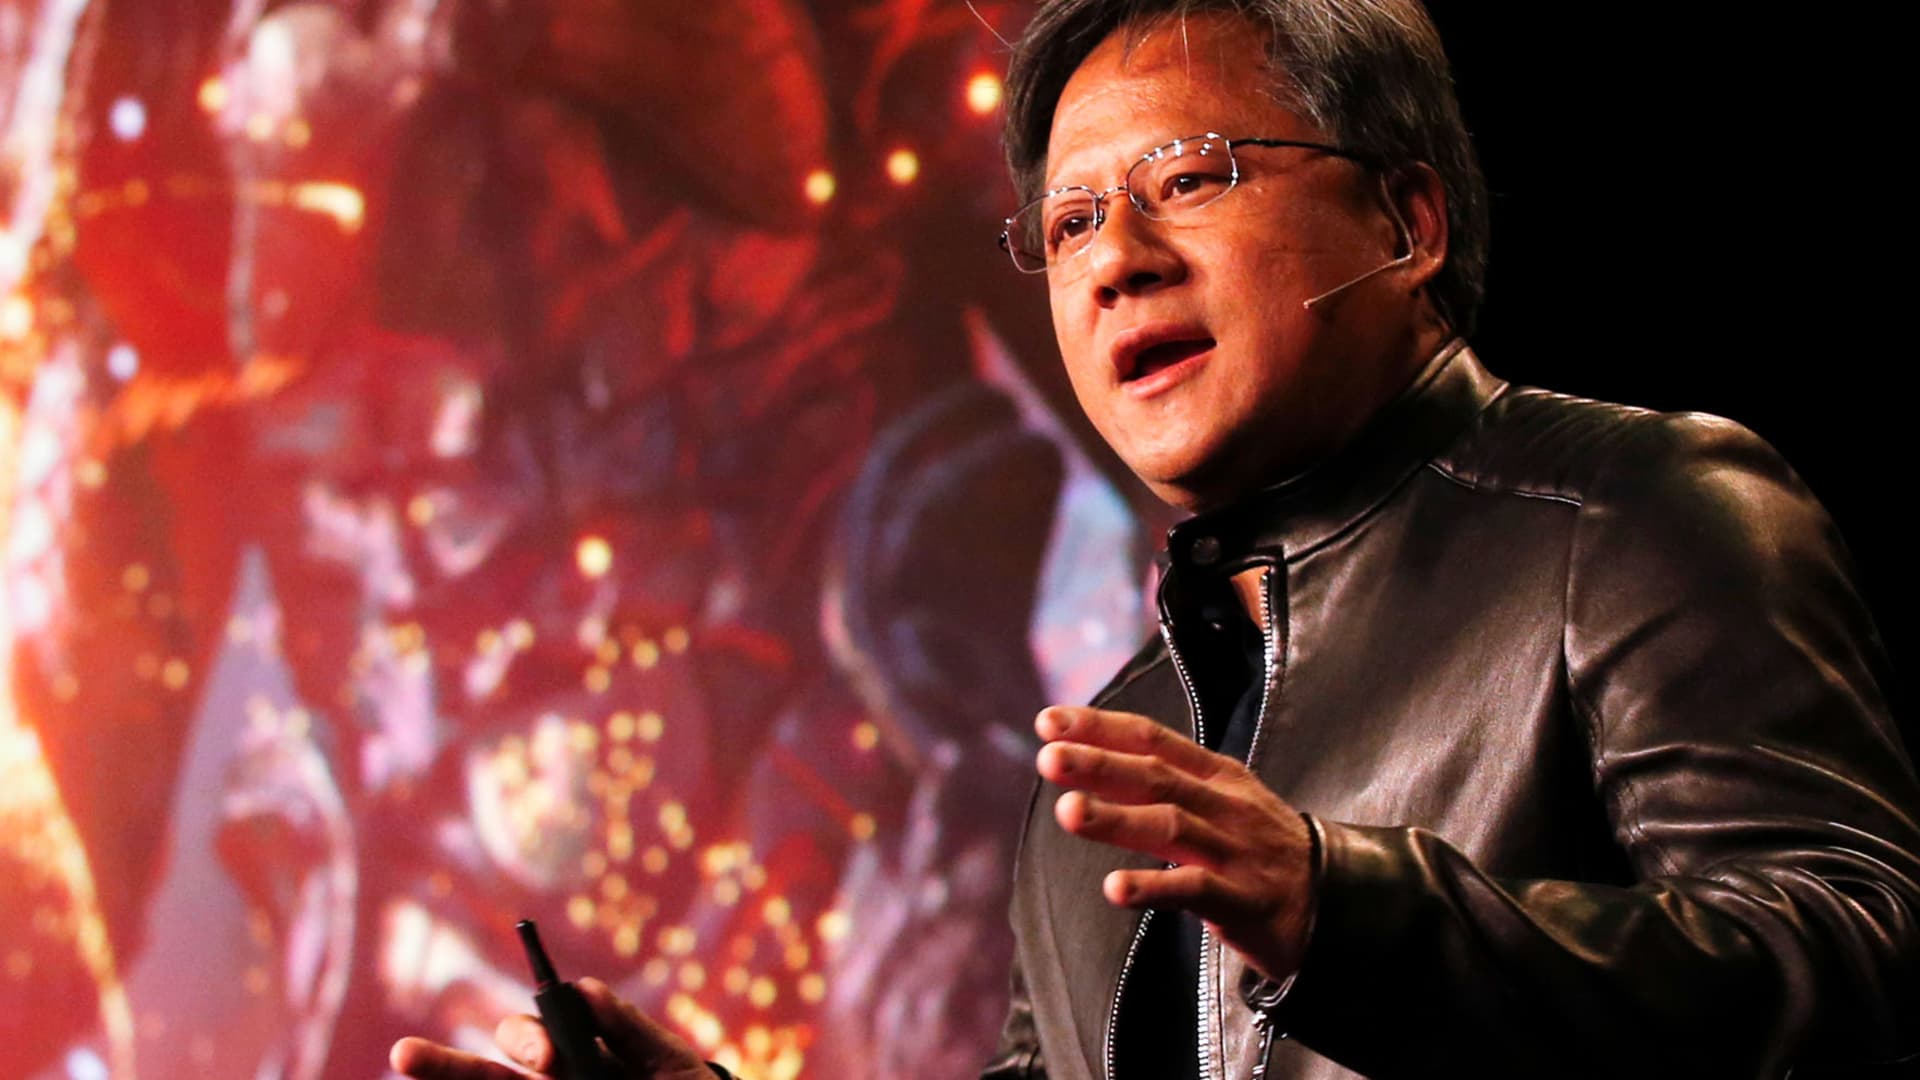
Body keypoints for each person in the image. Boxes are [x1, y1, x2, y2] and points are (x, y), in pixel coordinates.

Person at [392, 1, 1920, 1078]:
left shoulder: (1637, 510)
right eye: (1066, 225)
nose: (1114, 260)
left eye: (1188, 178)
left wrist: (1339, 908)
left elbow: (1841, 972)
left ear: (1408, 222)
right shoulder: (1119, 744)